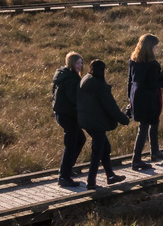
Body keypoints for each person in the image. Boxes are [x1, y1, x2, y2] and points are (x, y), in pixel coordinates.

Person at [77, 59, 130, 189]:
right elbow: (111, 108)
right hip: (97, 123)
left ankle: (110, 175)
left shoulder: (85, 80)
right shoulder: (100, 86)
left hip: (86, 121)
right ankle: (91, 182)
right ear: (103, 70)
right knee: (97, 151)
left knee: (105, 147)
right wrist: (125, 120)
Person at [127, 33, 163, 171]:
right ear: (150, 47)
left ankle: (155, 152)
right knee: (145, 127)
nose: (156, 48)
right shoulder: (152, 64)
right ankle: (137, 160)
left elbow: (129, 81)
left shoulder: (133, 60)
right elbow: (154, 84)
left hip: (136, 96)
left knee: (150, 123)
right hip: (149, 98)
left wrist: (129, 99)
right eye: (155, 46)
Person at [52, 51, 86, 187]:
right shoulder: (71, 79)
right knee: (71, 144)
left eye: (81, 63)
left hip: (62, 113)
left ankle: (67, 169)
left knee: (80, 140)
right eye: (78, 63)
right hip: (68, 115)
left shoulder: (62, 74)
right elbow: (73, 99)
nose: (80, 66)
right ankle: (64, 177)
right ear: (72, 63)